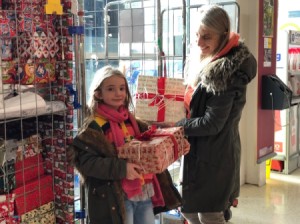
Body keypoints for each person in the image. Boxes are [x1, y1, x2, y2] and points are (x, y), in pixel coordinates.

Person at [67, 65, 183, 224]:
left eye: (122, 88)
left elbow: (146, 146)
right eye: (111, 89)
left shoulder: (133, 120)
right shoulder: (93, 127)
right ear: (98, 94)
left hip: (143, 190)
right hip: (116, 197)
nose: (118, 93)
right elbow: (87, 164)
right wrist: (122, 169)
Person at [175, 5, 257, 224]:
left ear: (223, 35)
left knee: (210, 214)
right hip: (198, 152)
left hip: (215, 156)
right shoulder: (207, 60)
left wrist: (176, 124)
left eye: (206, 36)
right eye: (197, 35)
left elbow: (212, 123)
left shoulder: (226, 73)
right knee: (190, 211)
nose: (199, 42)